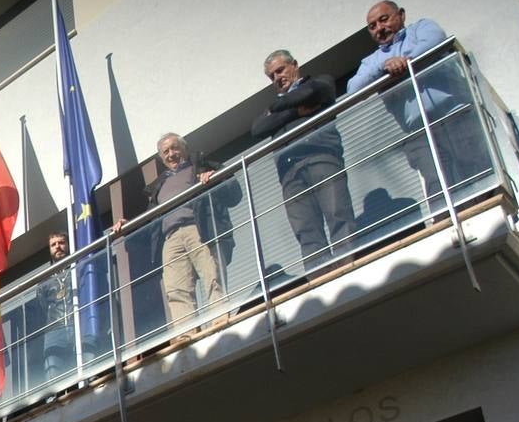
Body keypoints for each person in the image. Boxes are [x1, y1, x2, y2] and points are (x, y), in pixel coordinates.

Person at [346, 1, 488, 206]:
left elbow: (436, 39)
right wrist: (384, 68)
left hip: (455, 113)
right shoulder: (372, 61)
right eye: (373, 26)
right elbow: (353, 89)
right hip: (419, 130)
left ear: (401, 15)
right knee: (436, 183)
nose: (379, 28)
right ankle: (447, 226)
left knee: (475, 167)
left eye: (383, 19)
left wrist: (404, 61)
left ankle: (487, 211)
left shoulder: (421, 28)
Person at [114, 133, 241, 335]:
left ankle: (220, 319)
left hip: (197, 229)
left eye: (175, 148)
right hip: (170, 238)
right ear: (161, 158)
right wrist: (128, 225)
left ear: (184, 149)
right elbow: (149, 221)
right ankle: (187, 332)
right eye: (166, 152)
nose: (171, 154)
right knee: (176, 289)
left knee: (212, 275)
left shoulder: (199, 166)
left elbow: (234, 194)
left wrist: (214, 178)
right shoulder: (159, 185)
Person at [252, 51, 358, 271]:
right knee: (305, 229)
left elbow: (309, 92)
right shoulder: (274, 105)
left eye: (280, 70)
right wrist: (296, 111)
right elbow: (258, 128)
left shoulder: (320, 82)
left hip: (321, 158)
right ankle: (321, 278)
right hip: (290, 174)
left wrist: (278, 110)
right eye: (271, 76)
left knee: (338, 213)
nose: (277, 78)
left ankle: (349, 268)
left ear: (295, 65)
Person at [36, 231, 76, 381]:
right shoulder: (45, 280)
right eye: (53, 245)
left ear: (67, 244)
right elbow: (41, 308)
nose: (58, 247)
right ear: (50, 249)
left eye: (61, 243)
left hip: (77, 323)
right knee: (54, 376)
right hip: (55, 329)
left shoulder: (76, 267)